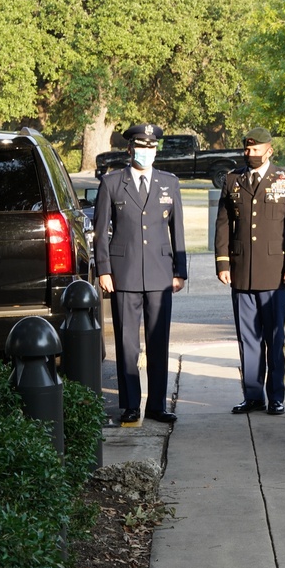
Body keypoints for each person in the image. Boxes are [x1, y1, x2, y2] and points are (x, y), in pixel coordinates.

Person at [94, 124, 186, 425]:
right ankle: (131, 404)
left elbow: (177, 230)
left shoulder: (169, 182)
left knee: (159, 342)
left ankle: (157, 405)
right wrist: (104, 270)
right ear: (130, 149)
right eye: (141, 147)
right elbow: (101, 233)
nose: (146, 153)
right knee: (127, 344)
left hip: (160, 273)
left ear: (156, 151)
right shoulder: (111, 183)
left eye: (151, 148)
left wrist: (179, 271)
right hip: (124, 273)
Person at [215, 127, 285, 416]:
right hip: (242, 272)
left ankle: (276, 396)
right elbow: (223, 224)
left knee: (275, 338)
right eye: (247, 149)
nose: (250, 154)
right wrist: (223, 263)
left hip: (275, 273)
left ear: (269, 150)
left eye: (255, 150)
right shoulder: (233, 179)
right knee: (248, 338)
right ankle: (253, 395)